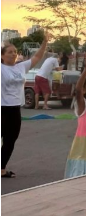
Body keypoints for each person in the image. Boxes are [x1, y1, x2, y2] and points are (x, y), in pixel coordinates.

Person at [2, 34, 49, 178]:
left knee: (10, 139)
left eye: (15, 52)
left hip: (15, 108)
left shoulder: (21, 67)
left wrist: (44, 43)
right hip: (1, 108)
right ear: (2, 56)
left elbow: (37, 57)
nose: (13, 54)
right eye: (10, 52)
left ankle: (1, 169)